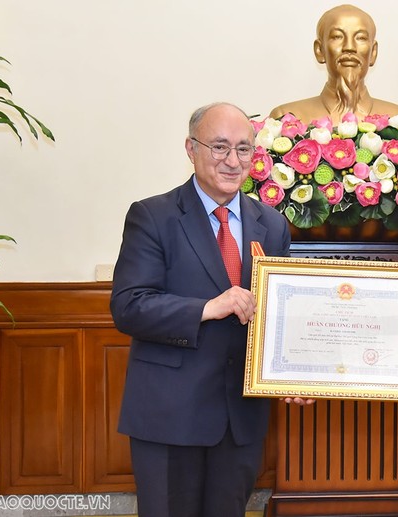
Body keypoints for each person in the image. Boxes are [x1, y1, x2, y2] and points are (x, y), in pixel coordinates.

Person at [110, 102, 309, 517]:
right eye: (219, 147)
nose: (232, 161)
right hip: (170, 416)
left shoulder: (271, 225)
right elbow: (129, 306)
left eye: (243, 149)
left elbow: (279, 317)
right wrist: (206, 308)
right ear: (191, 148)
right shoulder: (153, 215)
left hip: (240, 419)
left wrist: (292, 374)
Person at [269, 4, 398, 124]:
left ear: (373, 52)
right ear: (319, 50)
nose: (349, 47)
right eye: (337, 37)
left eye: (361, 38)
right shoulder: (286, 120)